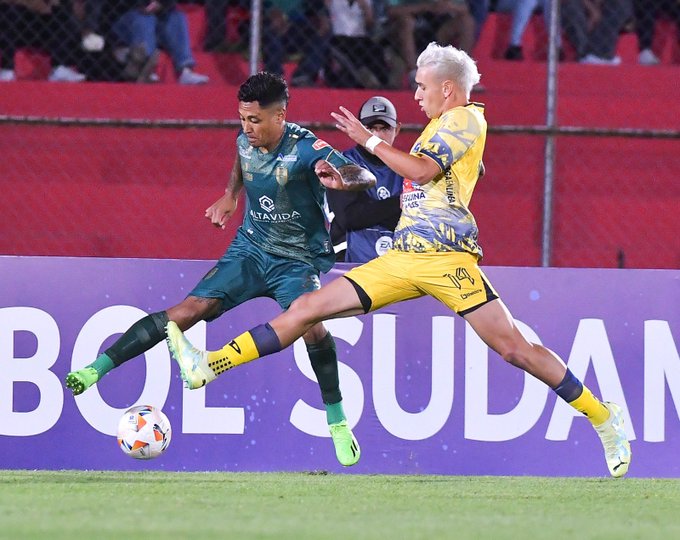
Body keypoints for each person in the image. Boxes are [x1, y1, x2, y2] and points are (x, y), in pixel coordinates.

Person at [166, 42, 632, 478]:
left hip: (447, 262)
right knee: (306, 310)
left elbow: (424, 170)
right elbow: (429, 180)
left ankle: (603, 417)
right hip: (404, 255)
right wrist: (369, 175)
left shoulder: (464, 119)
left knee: (515, 350)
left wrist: (368, 141)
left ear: (447, 88)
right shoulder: (443, 126)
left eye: (423, 87)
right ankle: (210, 365)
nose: (417, 95)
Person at [65, 72, 377, 467]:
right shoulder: (245, 139)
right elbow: (241, 161)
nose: (247, 128)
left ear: (280, 116)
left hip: (296, 261)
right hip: (250, 250)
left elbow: (362, 175)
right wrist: (230, 195)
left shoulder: (306, 148)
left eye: (255, 120)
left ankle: (336, 420)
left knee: (313, 328)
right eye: (242, 119)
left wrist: (343, 181)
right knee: (185, 313)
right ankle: (97, 369)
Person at [327, 96, 403, 262]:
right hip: (347, 264)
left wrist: (369, 210)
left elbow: (416, 220)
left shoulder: (407, 167)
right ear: (358, 129)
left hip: (396, 265)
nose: (376, 135)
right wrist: (398, 203)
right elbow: (350, 217)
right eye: (370, 128)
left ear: (397, 130)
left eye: (385, 128)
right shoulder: (341, 163)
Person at [108, 0, 210, 83]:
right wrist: (145, 4)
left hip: (156, 16)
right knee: (145, 19)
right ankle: (146, 67)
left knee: (176, 16)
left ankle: (185, 70)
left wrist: (160, 5)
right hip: (125, 17)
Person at [0, 0, 87, 82]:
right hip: (18, 20)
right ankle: (7, 70)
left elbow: (53, 4)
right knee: (10, 12)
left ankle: (59, 68)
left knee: (60, 13)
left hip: (41, 22)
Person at [561, 0, 632, 65]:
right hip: (579, 5)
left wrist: (597, 6)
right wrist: (592, 10)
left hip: (601, 8)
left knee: (622, 4)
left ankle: (597, 54)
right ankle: (589, 53)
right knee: (570, 6)